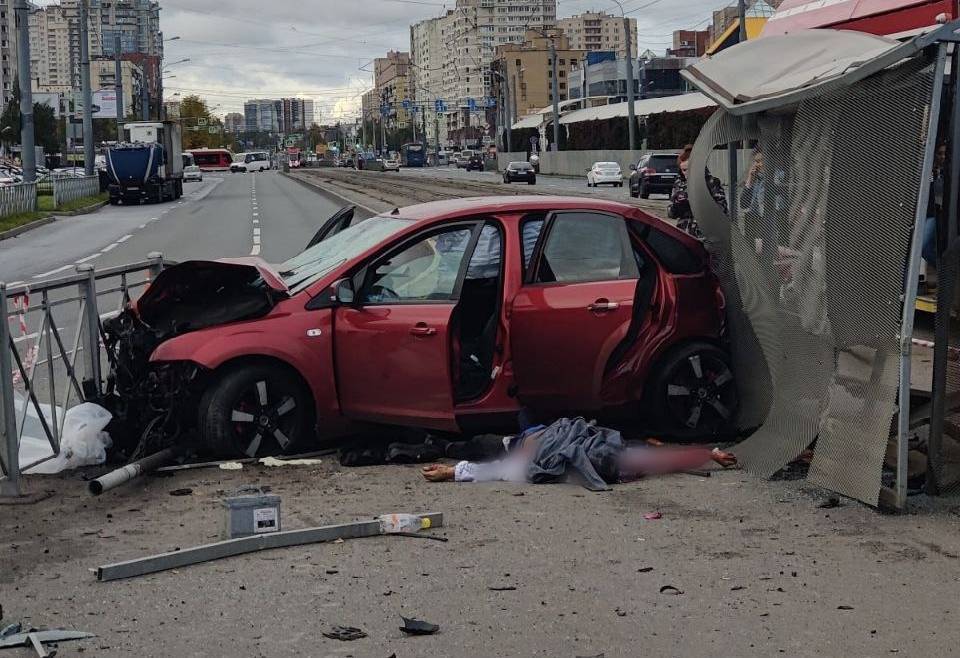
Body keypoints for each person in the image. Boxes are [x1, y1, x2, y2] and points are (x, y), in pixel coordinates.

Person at [421, 417, 736, 487]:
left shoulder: (524, 460)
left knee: (481, 442)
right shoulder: (615, 454)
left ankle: (437, 445)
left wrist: (452, 470)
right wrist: (710, 452)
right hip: (540, 433)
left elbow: (493, 471)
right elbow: (665, 458)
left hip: (517, 440)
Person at [668, 144, 728, 239]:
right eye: (683, 170)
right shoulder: (679, 184)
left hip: (706, 236)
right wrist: (677, 207)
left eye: (689, 170)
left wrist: (700, 205)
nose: (686, 174)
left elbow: (722, 209)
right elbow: (670, 212)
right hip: (684, 234)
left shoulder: (711, 182)